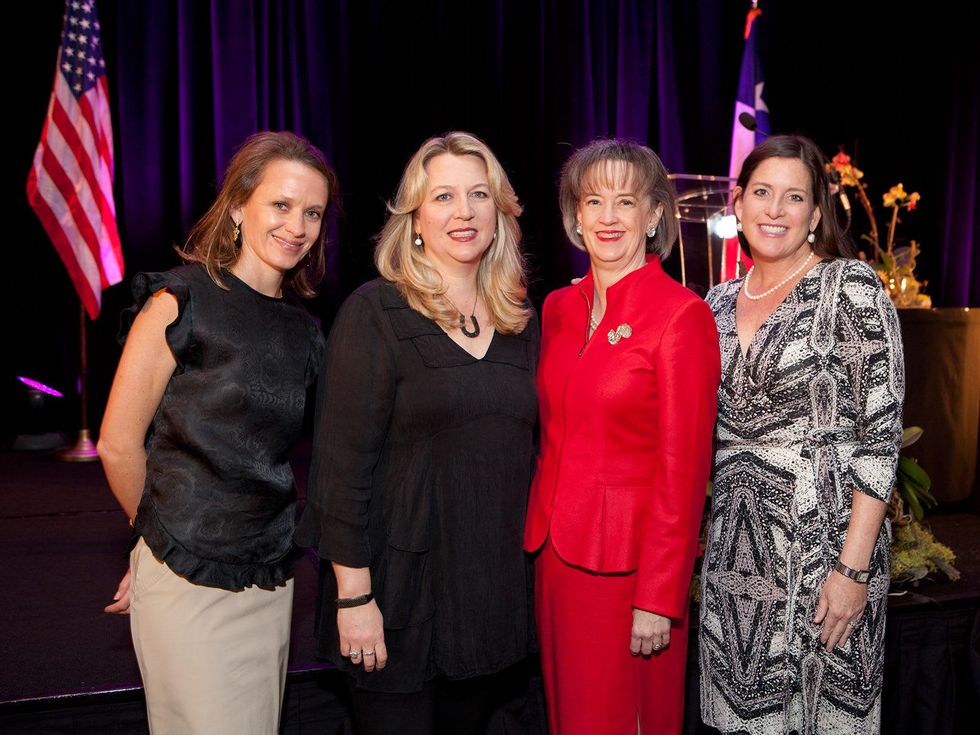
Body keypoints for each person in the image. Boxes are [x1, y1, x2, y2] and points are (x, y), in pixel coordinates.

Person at [295, 131, 538, 735]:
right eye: (444, 197)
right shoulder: (375, 313)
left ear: (500, 213)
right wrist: (354, 599)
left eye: (479, 195)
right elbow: (340, 473)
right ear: (416, 220)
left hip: (487, 599)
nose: (464, 212)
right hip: (395, 599)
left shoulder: (523, 324)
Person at [99, 131, 336, 734]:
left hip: (269, 578)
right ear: (237, 207)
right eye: (280, 205)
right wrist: (156, 544)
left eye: (312, 213)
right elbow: (118, 443)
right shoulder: (181, 300)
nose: (297, 226)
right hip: (185, 577)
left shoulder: (305, 332)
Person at [698, 134, 904, 734]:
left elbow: (879, 439)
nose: (775, 210)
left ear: (816, 215)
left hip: (826, 561)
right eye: (762, 192)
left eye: (794, 197)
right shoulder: (713, 304)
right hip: (736, 564)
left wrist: (853, 571)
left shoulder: (851, 288)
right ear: (738, 204)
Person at [524, 138, 721, 734]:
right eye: (593, 201)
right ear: (575, 215)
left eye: (626, 201)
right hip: (555, 558)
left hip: (629, 573)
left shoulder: (682, 315)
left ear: (655, 214)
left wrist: (658, 596)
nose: (608, 217)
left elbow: (683, 471)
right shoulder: (558, 308)